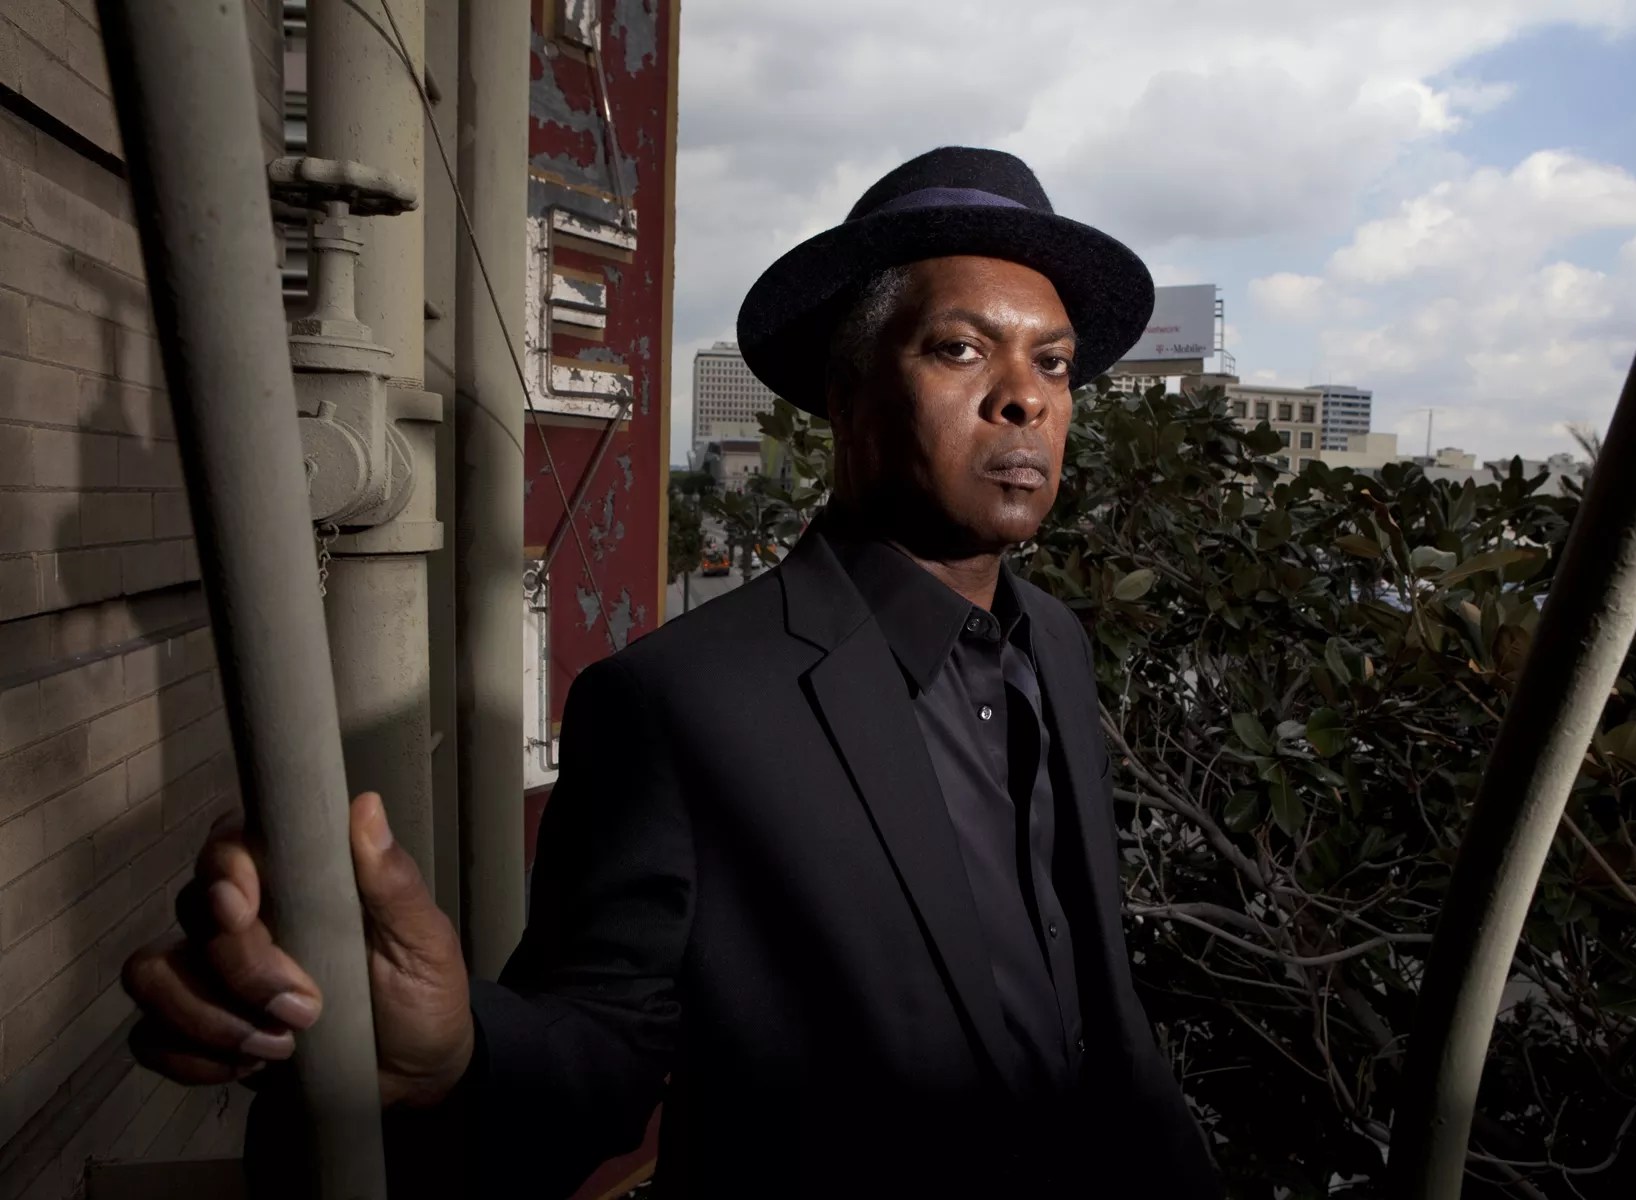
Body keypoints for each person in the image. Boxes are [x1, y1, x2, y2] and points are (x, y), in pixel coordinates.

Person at [120, 146, 1222, 1198]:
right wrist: (453, 1057)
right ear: (846, 395)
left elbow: (1092, 1001)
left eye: (1053, 362)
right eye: (961, 350)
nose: (1026, 397)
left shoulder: (1056, 645)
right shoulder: (683, 701)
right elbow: (600, 1045)